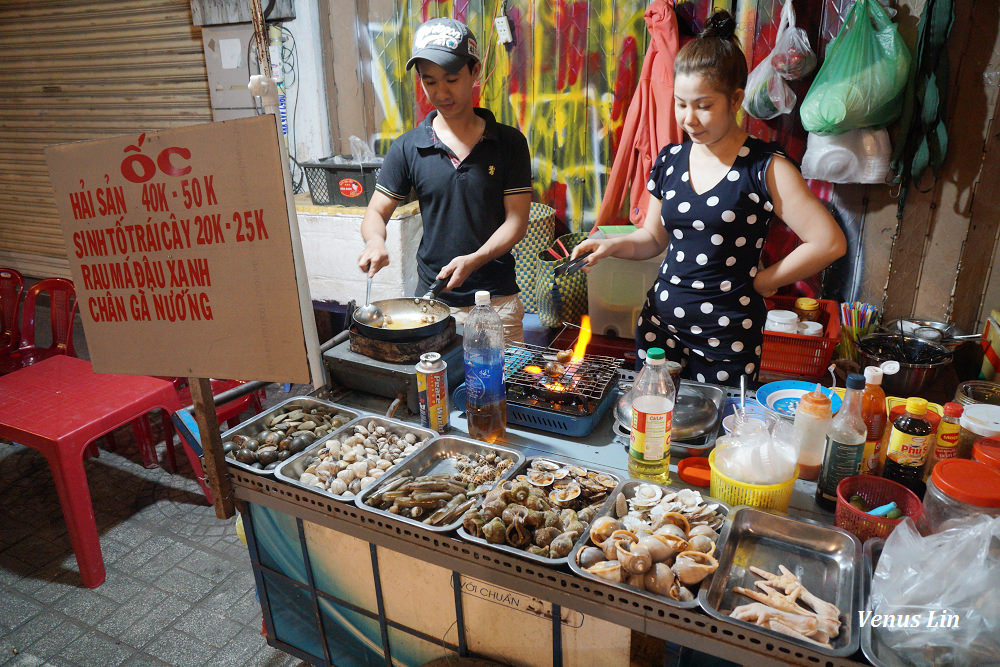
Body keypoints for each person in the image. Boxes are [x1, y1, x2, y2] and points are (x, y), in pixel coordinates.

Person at [572, 11, 846, 386]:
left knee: (711, 436)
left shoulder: (765, 167)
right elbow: (652, 239)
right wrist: (610, 246)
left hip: (726, 336)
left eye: (703, 105)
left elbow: (828, 242)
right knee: (652, 427)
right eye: (680, 103)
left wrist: (766, 280)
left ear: (735, 99)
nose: (689, 118)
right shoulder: (670, 160)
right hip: (659, 326)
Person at [357, 17, 533, 343]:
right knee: (437, 391)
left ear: (475, 71)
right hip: (433, 305)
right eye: (430, 81)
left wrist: (474, 260)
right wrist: (375, 242)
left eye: (451, 79)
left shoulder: (509, 143)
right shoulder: (408, 147)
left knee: (508, 390)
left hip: (497, 302)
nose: (441, 92)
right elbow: (376, 213)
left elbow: (517, 221)